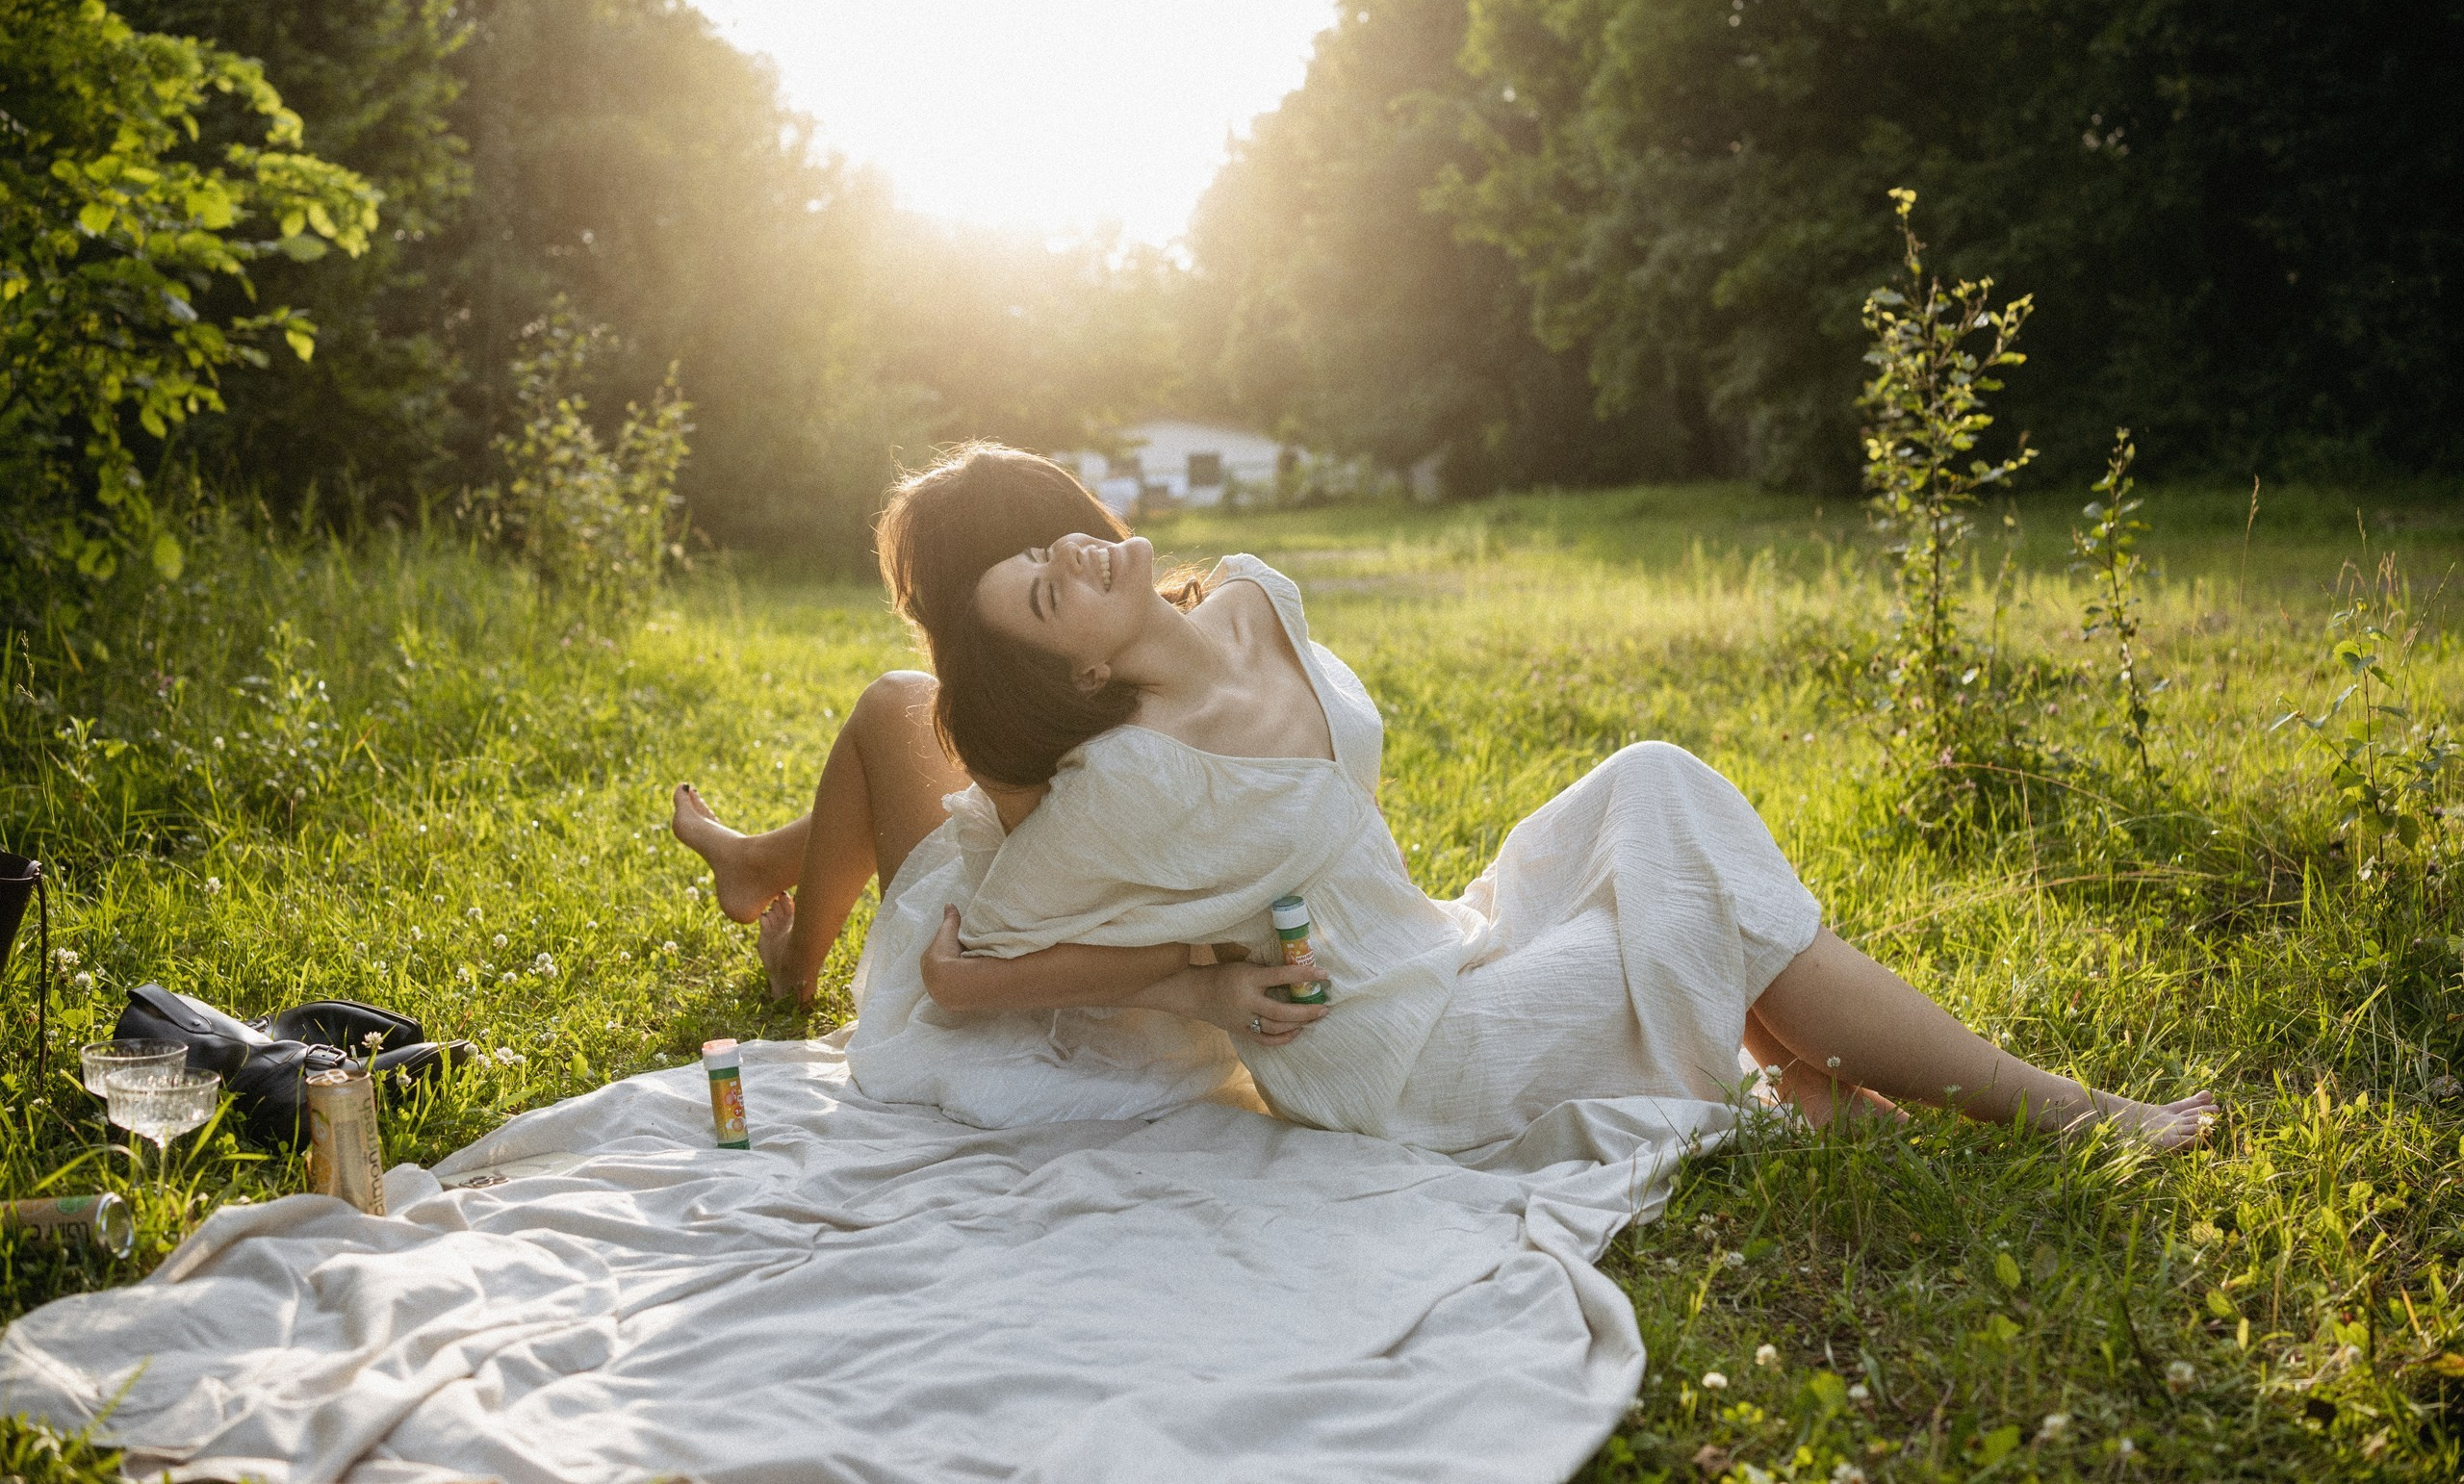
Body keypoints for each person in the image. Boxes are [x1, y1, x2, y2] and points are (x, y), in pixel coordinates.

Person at [673, 444, 2216, 1151]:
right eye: (1037, 589)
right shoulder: (1134, 782)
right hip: (1399, 1058)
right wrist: (1195, 974)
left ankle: (1809, 1072)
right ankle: (2064, 1113)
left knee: (1656, 786)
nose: (1071, 555)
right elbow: (970, 963)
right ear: (1067, 670)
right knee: (1677, 897)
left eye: (1051, 535)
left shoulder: (1256, 592)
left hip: (1435, 938)